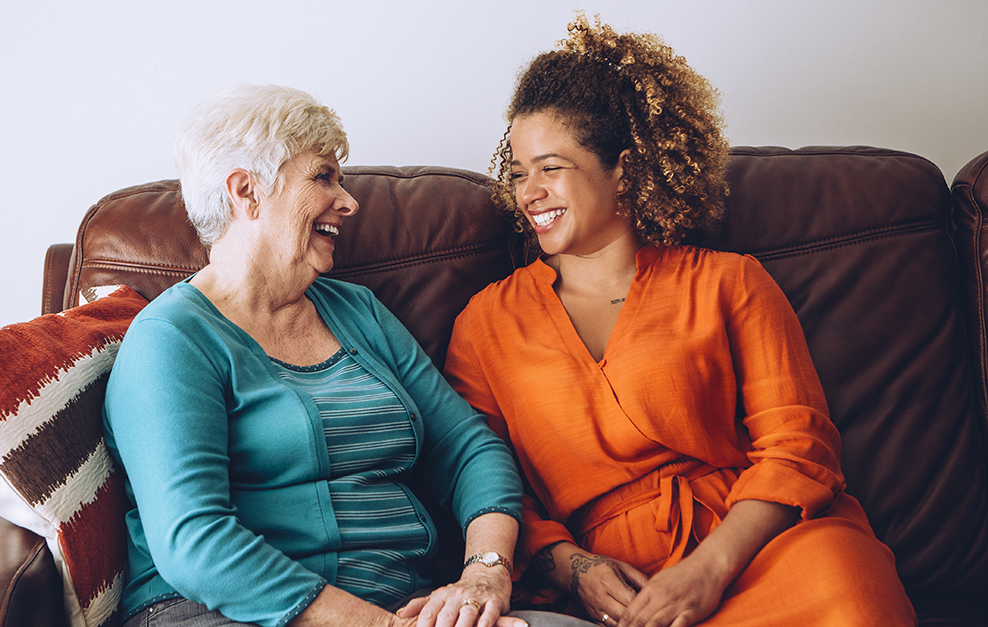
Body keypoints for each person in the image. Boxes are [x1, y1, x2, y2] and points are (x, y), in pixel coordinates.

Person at [443, 15, 917, 627]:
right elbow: (487, 482)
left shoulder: (729, 282)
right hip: (613, 587)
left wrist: (710, 569)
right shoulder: (486, 323)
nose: (527, 191)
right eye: (517, 172)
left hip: (755, 550)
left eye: (550, 167)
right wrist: (576, 570)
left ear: (623, 169)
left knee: (849, 589)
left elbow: (798, 449)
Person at [104, 84, 575, 627]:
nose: (349, 203)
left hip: (405, 602)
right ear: (246, 191)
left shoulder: (357, 311)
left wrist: (482, 574)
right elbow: (194, 541)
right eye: (322, 177)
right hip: (220, 613)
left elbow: (469, 448)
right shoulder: (172, 338)